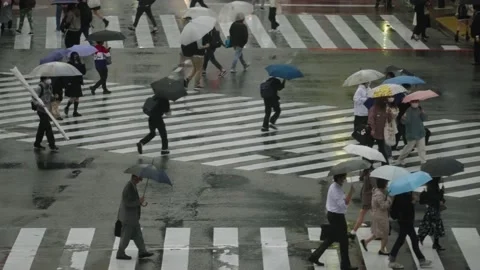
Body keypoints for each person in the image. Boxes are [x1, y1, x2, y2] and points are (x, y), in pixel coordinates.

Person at [308, 174, 358, 270]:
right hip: (337, 217)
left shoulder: (335, 186)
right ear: (339, 178)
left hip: (334, 215)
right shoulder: (336, 190)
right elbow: (343, 205)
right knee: (344, 241)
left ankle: (314, 256)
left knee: (331, 238)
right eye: (343, 177)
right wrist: (351, 192)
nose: (345, 179)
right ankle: (345, 266)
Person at [388, 192, 432, 268]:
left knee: (403, 239)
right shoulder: (402, 195)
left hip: (405, 220)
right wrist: (413, 201)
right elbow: (405, 207)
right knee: (412, 239)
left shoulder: (404, 193)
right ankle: (421, 260)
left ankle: (392, 258)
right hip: (405, 220)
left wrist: (413, 199)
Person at [116, 175, 153, 260]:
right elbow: (128, 203)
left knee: (138, 234)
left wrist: (139, 202)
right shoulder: (128, 188)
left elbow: (132, 201)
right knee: (126, 236)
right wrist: (138, 201)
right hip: (128, 218)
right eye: (139, 179)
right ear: (134, 178)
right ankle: (120, 253)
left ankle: (142, 251)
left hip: (133, 217)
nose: (140, 180)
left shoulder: (132, 185)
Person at [359, 178, 392, 255]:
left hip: (378, 214)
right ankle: (382, 249)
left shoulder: (377, 191)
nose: (387, 184)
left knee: (378, 232)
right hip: (380, 216)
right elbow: (383, 206)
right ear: (384, 184)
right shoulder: (379, 194)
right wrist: (389, 201)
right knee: (385, 233)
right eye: (386, 183)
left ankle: (366, 242)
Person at [395, 100, 427, 166]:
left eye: (417, 102)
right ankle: (400, 159)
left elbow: (424, 119)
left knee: (422, 148)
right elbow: (405, 122)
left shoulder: (419, 109)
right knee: (408, 148)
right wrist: (403, 117)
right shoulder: (408, 111)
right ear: (410, 103)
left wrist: (423, 113)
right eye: (414, 102)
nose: (415, 103)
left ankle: (423, 161)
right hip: (411, 133)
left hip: (420, 132)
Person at [418, 177, 446, 250]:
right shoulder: (433, 189)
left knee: (430, 225)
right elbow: (437, 198)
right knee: (434, 226)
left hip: (432, 210)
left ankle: (423, 238)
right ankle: (424, 238)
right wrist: (442, 192)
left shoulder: (430, 188)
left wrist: (441, 192)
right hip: (434, 210)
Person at [32, 77, 58, 152]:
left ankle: (37, 144)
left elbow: (50, 97)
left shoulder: (50, 87)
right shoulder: (39, 88)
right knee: (48, 128)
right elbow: (33, 99)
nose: (49, 79)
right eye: (47, 78)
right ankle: (52, 145)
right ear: (43, 79)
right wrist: (39, 104)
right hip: (41, 111)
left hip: (47, 110)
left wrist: (54, 97)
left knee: (42, 128)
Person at [367, 98, 392, 165]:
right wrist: (373, 129)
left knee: (377, 148)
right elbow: (371, 120)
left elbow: (389, 120)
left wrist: (389, 113)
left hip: (378, 132)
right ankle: (384, 163)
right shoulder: (375, 109)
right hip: (376, 132)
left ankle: (383, 163)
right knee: (378, 148)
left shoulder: (384, 109)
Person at [350, 167, 374, 236]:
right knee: (368, 214)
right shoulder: (370, 176)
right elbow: (374, 186)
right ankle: (354, 231)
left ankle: (354, 231)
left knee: (364, 214)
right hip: (369, 198)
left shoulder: (365, 174)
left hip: (366, 198)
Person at [64, 52, 86, 117]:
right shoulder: (70, 63)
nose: (75, 57)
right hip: (72, 82)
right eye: (74, 55)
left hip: (78, 81)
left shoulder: (79, 63)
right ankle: (67, 107)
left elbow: (83, 72)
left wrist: (83, 64)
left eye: (76, 55)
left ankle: (75, 111)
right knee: (73, 97)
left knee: (77, 97)